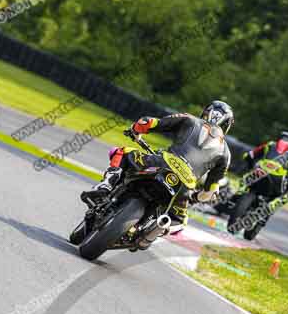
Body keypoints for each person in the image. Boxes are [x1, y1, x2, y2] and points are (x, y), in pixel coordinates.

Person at [80, 101, 233, 241]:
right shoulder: (226, 153)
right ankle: (150, 233)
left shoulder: (190, 119)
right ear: (227, 125)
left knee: (122, 152)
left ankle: (105, 186)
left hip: (161, 163)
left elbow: (148, 122)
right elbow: (211, 191)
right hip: (184, 187)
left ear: (206, 112)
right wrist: (193, 198)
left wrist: (135, 130)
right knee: (179, 221)